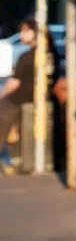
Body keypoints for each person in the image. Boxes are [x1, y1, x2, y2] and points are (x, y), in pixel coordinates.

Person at [0, 17, 39, 172]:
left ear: (35, 32)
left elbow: (14, 83)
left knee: (2, 117)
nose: (21, 35)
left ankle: (9, 152)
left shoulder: (26, 57)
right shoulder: (47, 54)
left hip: (19, 99)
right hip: (31, 98)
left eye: (25, 31)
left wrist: (2, 94)